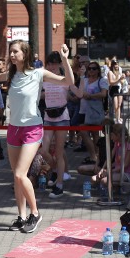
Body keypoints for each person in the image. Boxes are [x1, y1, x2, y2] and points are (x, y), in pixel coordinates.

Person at [0, 42, 74, 234]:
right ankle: (22, 216)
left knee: (20, 174)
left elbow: (68, 81)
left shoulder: (38, 73)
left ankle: (35, 213)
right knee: (16, 177)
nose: (11, 54)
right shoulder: (11, 75)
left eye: (15, 51)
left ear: (24, 53)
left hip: (32, 129)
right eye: (10, 51)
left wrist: (65, 60)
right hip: (14, 129)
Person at [40, 51, 77, 199]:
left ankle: (59, 185)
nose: (52, 66)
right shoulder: (44, 79)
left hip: (62, 117)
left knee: (59, 152)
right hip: (48, 117)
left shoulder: (64, 79)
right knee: (43, 150)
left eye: (55, 63)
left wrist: (65, 58)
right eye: (50, 63)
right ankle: (56, 170)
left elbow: (75, 88)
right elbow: (39, 94)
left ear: (60, 64)